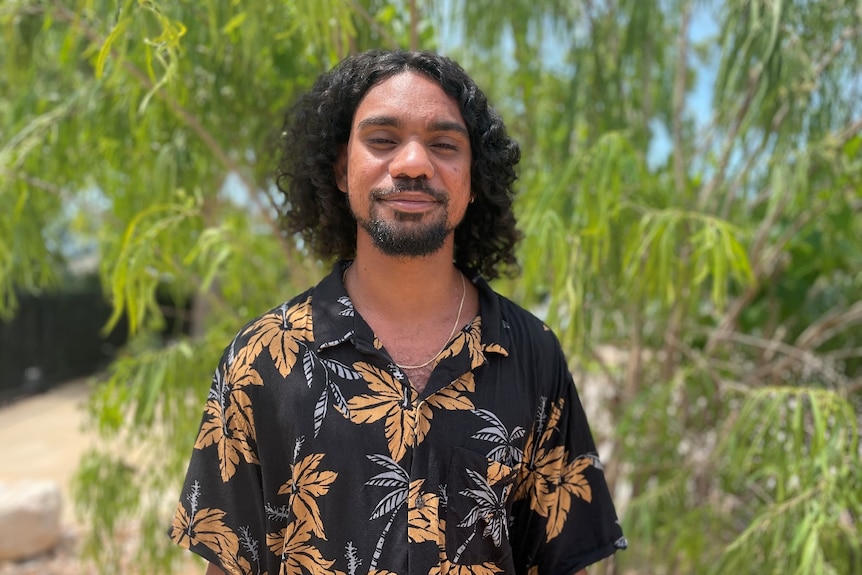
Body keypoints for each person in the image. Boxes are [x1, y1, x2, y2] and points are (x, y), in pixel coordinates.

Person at [169, 49, 627, 575]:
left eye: (444, 144)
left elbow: (564, 562)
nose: (413, 164)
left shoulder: (532, 354)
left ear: (474, 179)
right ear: (342, 169)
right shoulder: (261, 361)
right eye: (383, 140)